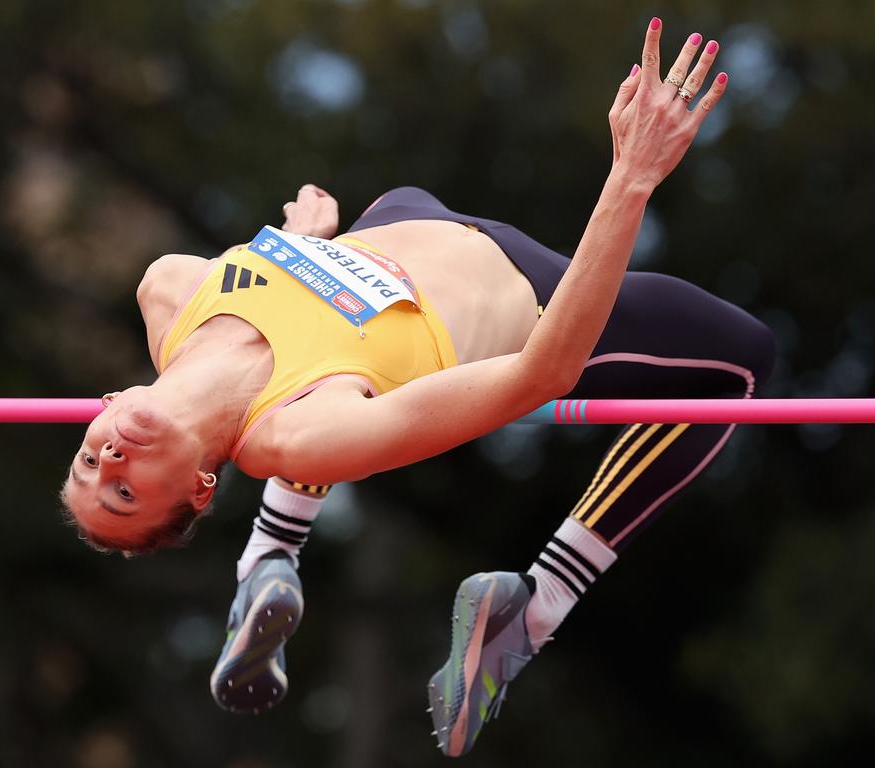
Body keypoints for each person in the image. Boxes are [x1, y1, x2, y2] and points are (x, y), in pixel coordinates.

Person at [61, 19, 775, 757]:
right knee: (741, 359)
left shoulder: (172, 292)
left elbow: (304, 314)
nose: (110, 463)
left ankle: (268, 557)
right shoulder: (301, 434)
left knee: (340, 310)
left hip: (400, 218)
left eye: (88, 465)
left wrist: (304, 246)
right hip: (529, 292)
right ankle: (536, 608)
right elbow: (543, 377)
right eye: (125, 493)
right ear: (203, 487)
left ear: (106, 406)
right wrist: (630, 179)